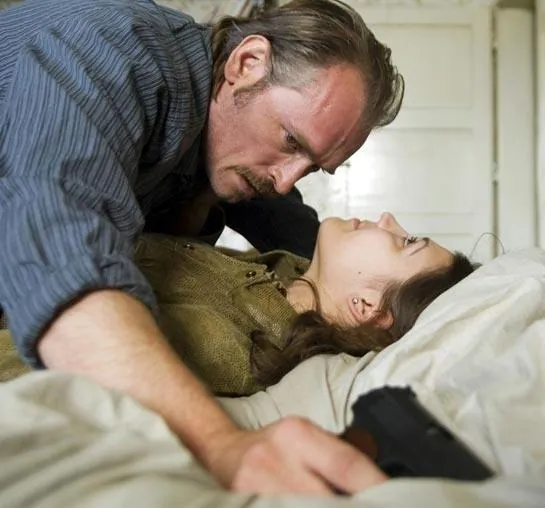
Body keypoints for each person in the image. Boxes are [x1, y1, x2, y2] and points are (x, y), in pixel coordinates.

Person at [0, 0, 405, 496]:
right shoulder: (110, 53)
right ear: (246, 63)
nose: (285, 181)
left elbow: (300, 231)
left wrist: (420, 301)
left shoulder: (239, 141)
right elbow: (58, 252)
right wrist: (221, 445)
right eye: (291, 141)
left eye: (312, 167)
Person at [1, 212, 475, 395]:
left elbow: (41, 364)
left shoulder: (238, 348)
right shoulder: (287, 271)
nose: (388, 218)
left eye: (405, 241)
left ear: (367, 306)